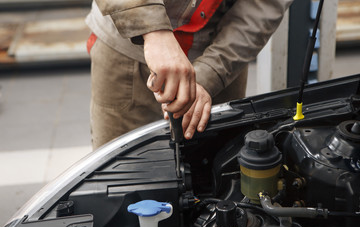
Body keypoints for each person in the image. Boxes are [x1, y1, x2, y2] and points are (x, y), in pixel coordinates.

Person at [86, 0, 293, 149]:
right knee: (122, 176)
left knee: (213, 184)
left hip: (221, 53)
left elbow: (264, 5)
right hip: (127, 49)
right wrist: (153, 31)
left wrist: (212, 72)